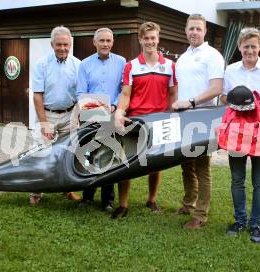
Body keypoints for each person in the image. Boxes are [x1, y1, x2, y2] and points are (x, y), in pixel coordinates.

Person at [220, 27, 260, 242]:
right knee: (237, 179)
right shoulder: (230, 70)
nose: (249, 50)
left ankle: (256, 225)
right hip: (237, 129)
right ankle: (240, 221)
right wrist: (234, 101)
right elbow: (224, 98)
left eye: (253, 46)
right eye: (245, 46)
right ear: (239, 47)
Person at [112, 21, 177, 219]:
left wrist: (172, 117)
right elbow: (125, 95)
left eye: (153, 38)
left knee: (156, 164)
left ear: (158, 39)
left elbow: (173, 95)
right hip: (135, 121)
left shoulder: (170, 66)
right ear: (140, 40)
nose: (150, 41)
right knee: (127, 163)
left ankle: (151, 200)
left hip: (159, 121)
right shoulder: (130, 66)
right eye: (146, 38)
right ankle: (123, 205)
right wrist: (119, 112)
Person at [171, 14, 224, 229]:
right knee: (186, 165)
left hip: (203, 117)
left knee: (202, 167)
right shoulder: (183, 57)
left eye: (198, 29)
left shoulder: (212, 55)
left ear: (205, 32)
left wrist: (191, 102)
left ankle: (200, 215)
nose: (194, 32)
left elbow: (216, 88)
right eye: (191, 28)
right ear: (186, 30)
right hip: (184, 118)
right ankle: (188, 203)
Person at [76, 27, 126, 212]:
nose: (105, 44)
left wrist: (112, 106)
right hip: (90, 117)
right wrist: (99, 108)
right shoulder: (84, 64)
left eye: (108, 41)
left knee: (109, 156)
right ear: (94, 42)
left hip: (112, 116)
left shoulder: (121, 62)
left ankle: (108, 200)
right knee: (89, 156)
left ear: (112, 42)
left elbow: (124, 89)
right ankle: (87, 196)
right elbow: (80, 92)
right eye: (101, 41)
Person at [30, 25, 81, 205]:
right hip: (47, 115)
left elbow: (80, 95)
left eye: (66, 44)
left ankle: (67, 190)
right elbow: (37, 95)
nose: (62, 48)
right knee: (41, 154)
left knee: (68, 155)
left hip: (69, 115)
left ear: (70, 44)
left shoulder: (78, 65)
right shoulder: (41, 64)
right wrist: (44, 123)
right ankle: (36, 192)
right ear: (52, 44)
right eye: (59, 44)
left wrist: (75, 118)